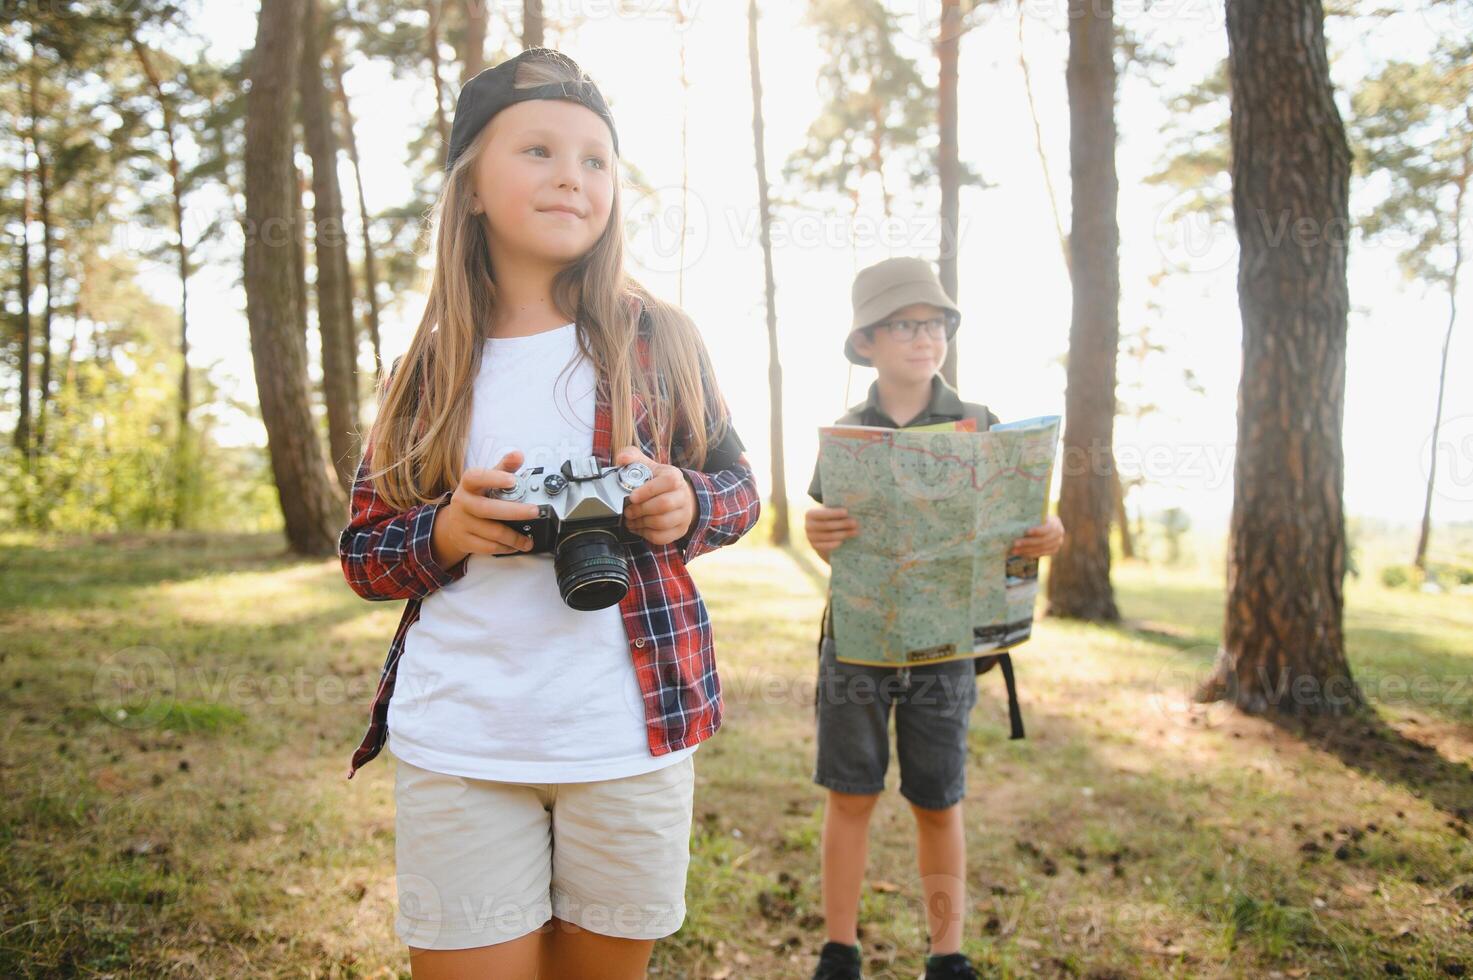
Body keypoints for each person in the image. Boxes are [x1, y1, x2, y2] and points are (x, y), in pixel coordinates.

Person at [337, 48, 760, 980]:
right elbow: (365, 556)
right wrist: (447, 532)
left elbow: (739, 492)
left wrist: (685, 504)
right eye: (537, 150)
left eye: (596, 159)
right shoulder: (426, 371)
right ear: (472, 189)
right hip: (462, 742)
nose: (573, 174)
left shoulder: (662, 343)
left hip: (627, 740)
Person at [804, 257, 1065, 980]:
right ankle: (838, 950)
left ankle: (946, 956)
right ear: (866, 342)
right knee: (850, 794)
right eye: (904, 326)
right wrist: (816, 533)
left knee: (937, 800)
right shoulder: (846, 433)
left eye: (935, 324)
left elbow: (1018, 526)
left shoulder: (978, 424)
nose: (923, 339)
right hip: (858, 644)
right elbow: (832, 533)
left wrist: (1048, 535)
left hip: (945, 647)